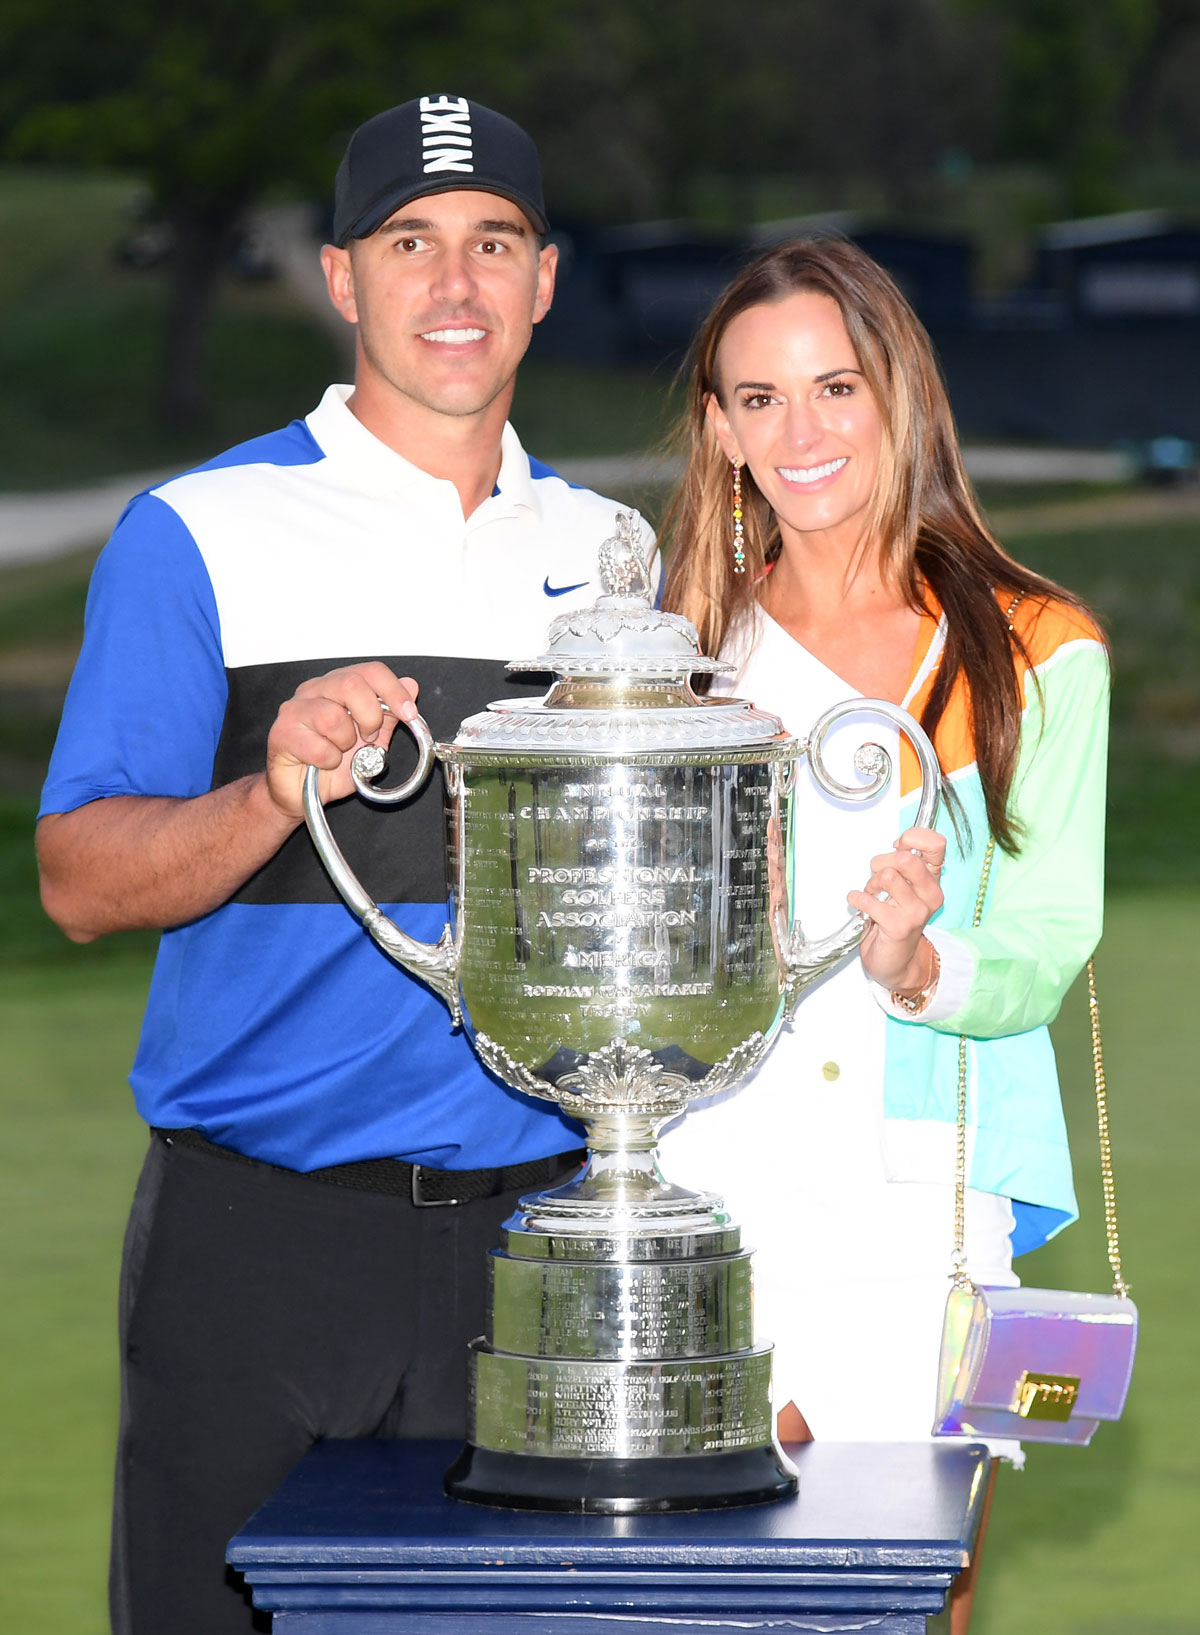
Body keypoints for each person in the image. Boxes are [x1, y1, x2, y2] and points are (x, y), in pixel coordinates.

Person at [36, 96, 653, 1635]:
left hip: (538, 1233)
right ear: (340, 276)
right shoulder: (198, 530)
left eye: (493, 243)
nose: (456, 285)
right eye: (412, 243)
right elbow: (80, 882)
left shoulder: (620, 554)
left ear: (548, 278)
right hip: (260, 1240)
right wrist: (273, 788)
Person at [657, 236, 1107, 1632]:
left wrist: (916, 964)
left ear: (900, 394)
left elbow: (1044, 942)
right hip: (706, 1187)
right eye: (759, 398)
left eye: (835, 388)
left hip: (928, 1201)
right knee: (716, 1604)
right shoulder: (673, 658)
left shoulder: (1037, 648)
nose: (801, 433)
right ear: (719, 430)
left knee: (906, 1600)